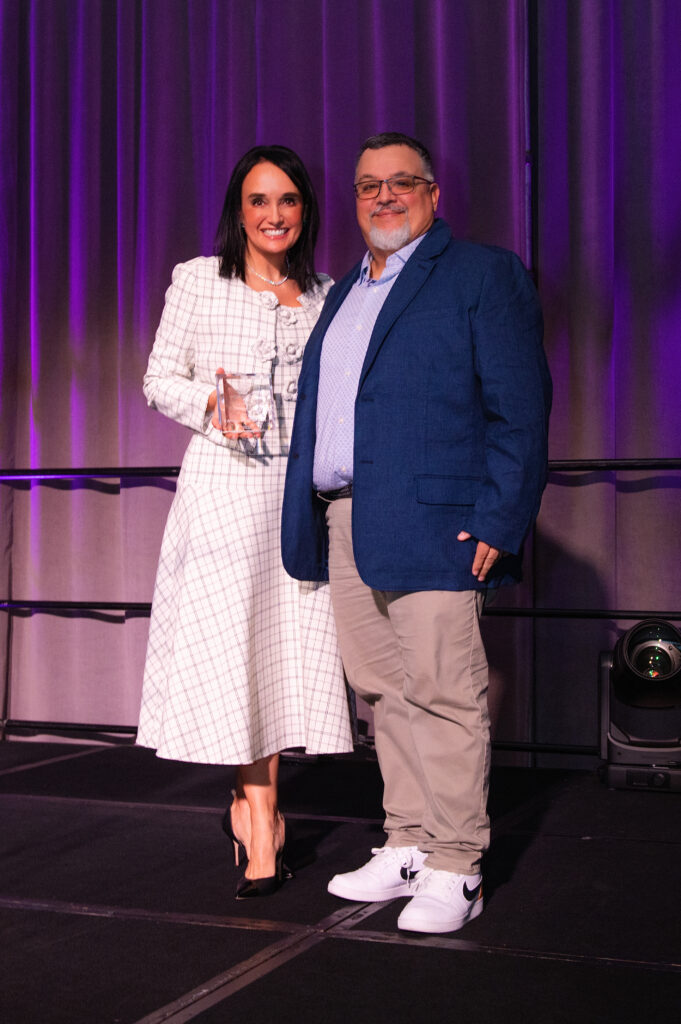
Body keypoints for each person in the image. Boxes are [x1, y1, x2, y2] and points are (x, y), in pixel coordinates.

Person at [281, 132, 551, 933]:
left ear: (435, 194)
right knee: (382, 692)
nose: (384, 197)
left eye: (402, 183)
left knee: (443, 695)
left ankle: (457, 863)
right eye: (369, 186)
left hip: (441, 523)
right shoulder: (341, 295)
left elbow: (520, 408)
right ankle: (406, 841)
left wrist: (501, 517)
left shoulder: (480, 273)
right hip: (347, 517)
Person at [137, 145, 354, 899]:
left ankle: (252, 805)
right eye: (259, 200)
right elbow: (158, 376)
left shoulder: (329, 293)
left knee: (287, 656)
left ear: (305, 210)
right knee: (238, 653)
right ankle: (262, 825)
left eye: (287, 200)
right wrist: (209, 406)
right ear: (238, 209)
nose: (273, 215)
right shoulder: (200, 280)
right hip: (227, 492)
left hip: (304, 497)